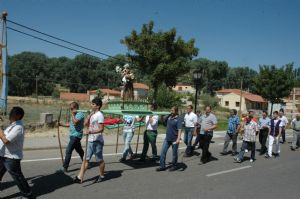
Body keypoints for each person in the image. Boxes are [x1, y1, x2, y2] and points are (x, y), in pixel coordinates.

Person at [0, 107, 35, 199]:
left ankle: (28, 194)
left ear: (18, 115)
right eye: (10, 112)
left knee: (18, 178)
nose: (10, 114)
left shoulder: (18, 127)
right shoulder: (12, 125)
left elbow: (6, 140)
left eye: (12, 113)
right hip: (3, 155)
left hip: (11, 158)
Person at [74, 97, 105, 183]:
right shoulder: (93, 114)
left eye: (93, 104)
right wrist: (88, 117)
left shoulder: (100, 115)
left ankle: (102, 175)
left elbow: (101, 129)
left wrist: (91, 131)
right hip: (90, 140)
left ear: (98, 106)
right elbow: (85, 124)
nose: (91, 105)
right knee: (85, 160)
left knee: (99, 160)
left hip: (97, 141)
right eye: (91, 104)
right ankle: (79, 177)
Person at [58, 102, 85, 172]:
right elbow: (71, 124)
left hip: (76, 135)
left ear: (76, 108)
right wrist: (61, 124)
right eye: (70, 109)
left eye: (72, 108)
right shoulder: (73, 115)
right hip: (73, 135)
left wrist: (73, 114)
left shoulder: (80, 114)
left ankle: (65, 167)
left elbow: (75, 122)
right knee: (79, 151)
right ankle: (85, 162)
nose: (71, 110)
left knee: (68, 150)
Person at [156, 106, 183, 172]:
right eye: (170, 110)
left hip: (174, 139)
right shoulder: (169, 117)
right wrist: (162, 116)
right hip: (167, 138)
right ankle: (162, 166)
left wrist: (178, 139)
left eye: (172, 110)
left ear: (176, 111)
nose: (171, 111)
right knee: (163, 152)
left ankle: (174, 166)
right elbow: (163, 123)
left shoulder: (179, 119)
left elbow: (180, 129)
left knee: (174, 154)